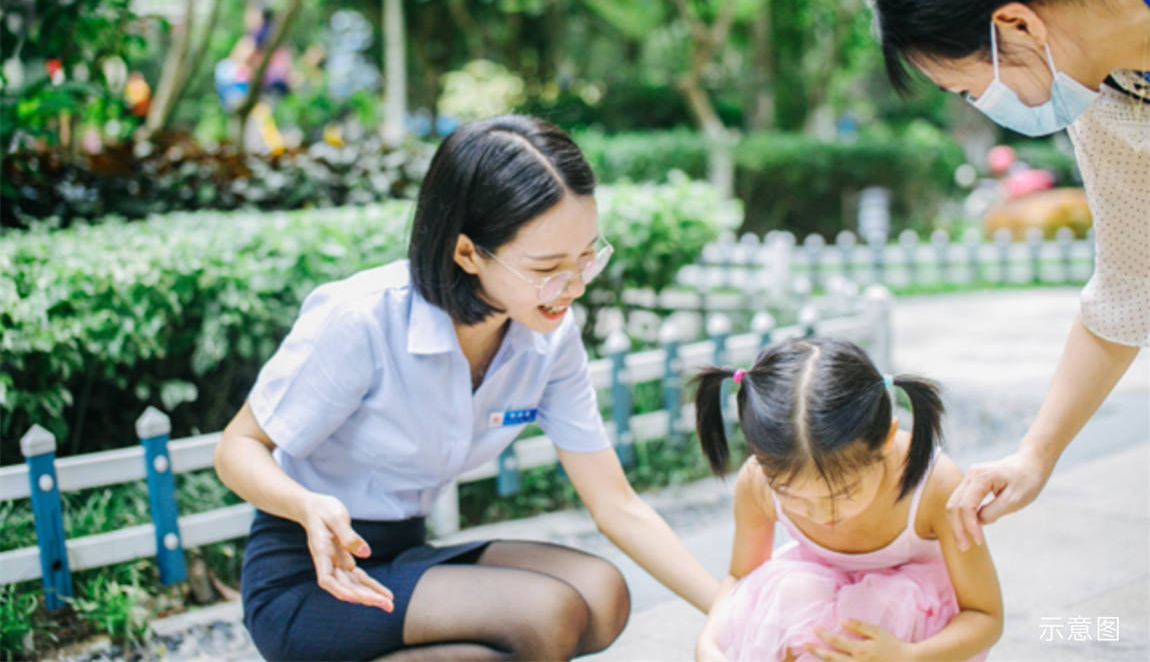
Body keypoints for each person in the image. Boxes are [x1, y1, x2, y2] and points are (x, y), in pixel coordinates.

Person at [213, 115, 718, 661]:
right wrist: (306, 505)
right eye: (547, 268)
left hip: (403, 556)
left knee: (603, 594)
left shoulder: (548, 337)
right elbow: (237, 447)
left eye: (587, 259)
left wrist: (733, 614)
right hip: (309, 575)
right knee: (546, 614)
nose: (572, 287)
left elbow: (616, 504)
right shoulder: (363, 318)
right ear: (467, 252)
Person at [866, 0, 1149, 552]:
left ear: (1016, 24)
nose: (983, 104)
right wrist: (1034, 456)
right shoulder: (1108, 99)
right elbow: (1129, 288)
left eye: (970, 88)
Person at [692, 338, 1002, 662]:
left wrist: (907, 656)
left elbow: (986, 617)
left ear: (885, 440)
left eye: (843, 494)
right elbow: (742, 579)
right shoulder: (757, 482)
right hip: (816, 606)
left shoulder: (935, 486)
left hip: (912, 636)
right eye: (793, 497)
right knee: (786, 593)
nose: (820, 515)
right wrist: (709, 639)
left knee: (877, 606)